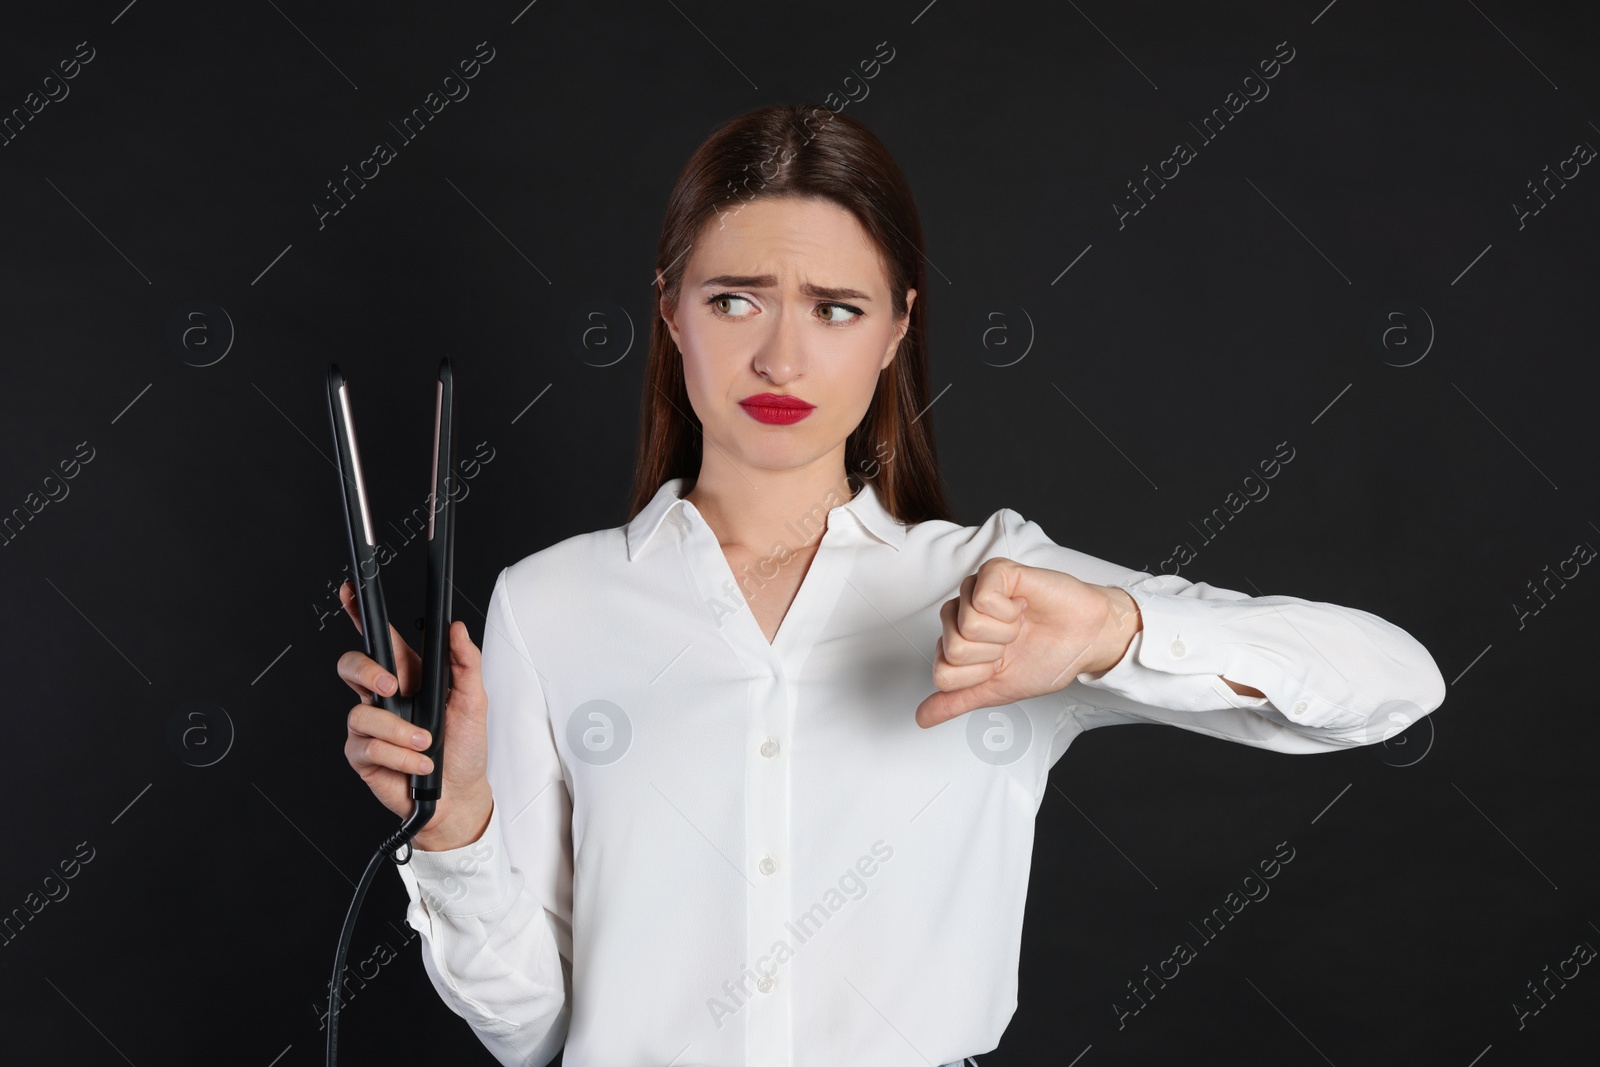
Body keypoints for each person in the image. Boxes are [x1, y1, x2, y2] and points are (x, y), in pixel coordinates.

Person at [334, 103, 1446, 1067]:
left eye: (834, 307)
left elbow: (1395, 682)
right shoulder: (550, 603)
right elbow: (533, 1029)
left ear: (897, 329)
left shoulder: (998, 588)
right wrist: (460, 818)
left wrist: (1113, 630)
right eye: (734, 300)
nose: (780, 358)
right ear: (670, 311)